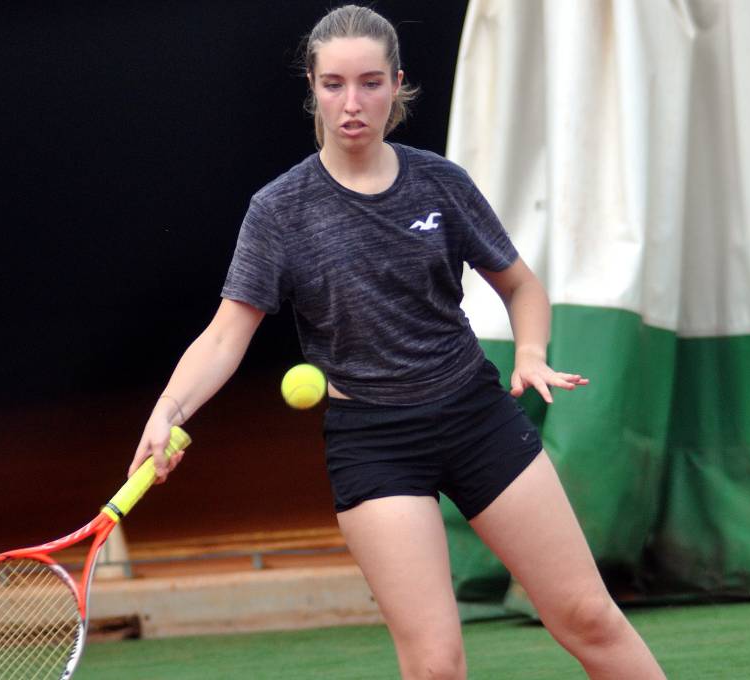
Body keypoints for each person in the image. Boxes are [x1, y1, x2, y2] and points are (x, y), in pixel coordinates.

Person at [127, 5, 665, 679]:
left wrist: (530, 353)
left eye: (370, 83)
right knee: (435, 665)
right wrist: (168, 409)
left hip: (477, 418)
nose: (352, 103)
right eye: (334, 84)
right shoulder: (279, 211)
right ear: (313, 86)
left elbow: (522, 287)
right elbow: (223, 337)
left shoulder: (440, 182)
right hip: (375, 444)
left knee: (588, 617)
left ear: (397, 84)